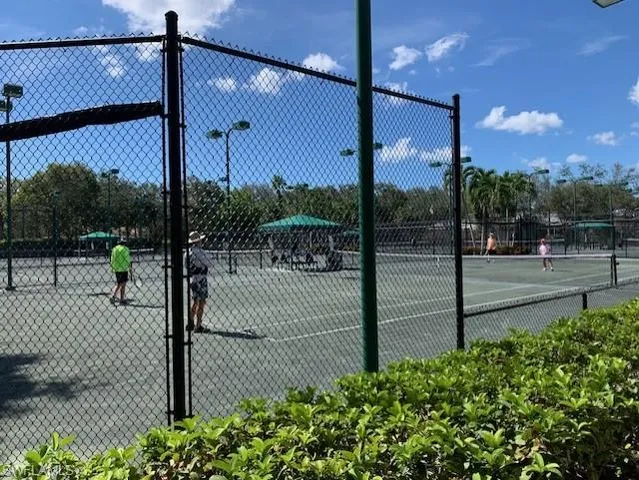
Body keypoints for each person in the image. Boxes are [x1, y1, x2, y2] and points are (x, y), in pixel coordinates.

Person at [185, 231, 213, 333]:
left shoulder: (187, 252)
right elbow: (210, 263)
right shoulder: (200, 252)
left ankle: (191, 322)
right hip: (201, 279)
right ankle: (198, 325)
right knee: (201, 302)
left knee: (195, 301)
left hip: (192, 279)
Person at [110, 238, 132, 304]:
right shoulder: (125, 249)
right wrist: (130, 269)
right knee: (123, 284)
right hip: (124, 269)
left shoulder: (114, 249)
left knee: (119, 283)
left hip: (117, 269)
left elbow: (112, 259)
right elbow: (128, 259)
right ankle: (120, 298)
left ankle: (114, 296)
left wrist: (112, 267)